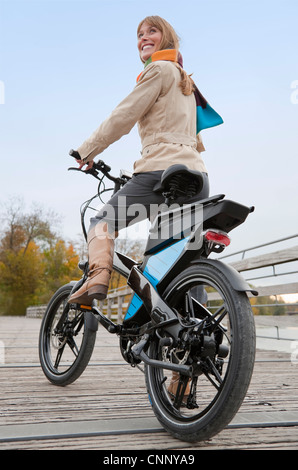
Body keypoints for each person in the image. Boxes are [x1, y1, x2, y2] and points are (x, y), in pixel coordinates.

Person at [68, 16, 212, 306]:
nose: (144, 38)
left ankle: (96, 279)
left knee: (101, 222)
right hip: (197, 178)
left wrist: (87, 151)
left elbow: (123, 116)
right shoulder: (186, 82)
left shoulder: (158, 69)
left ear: (167, 38)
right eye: (139, 34)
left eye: (152, 31)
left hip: (160, 172)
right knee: (179, 255)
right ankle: (200, 334)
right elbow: (196, 140)